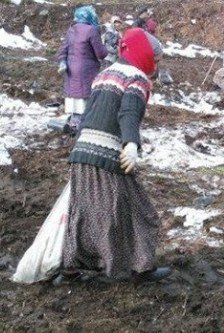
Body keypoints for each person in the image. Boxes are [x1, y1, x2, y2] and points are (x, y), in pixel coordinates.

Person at [58, 28, 169, 282]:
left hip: (82, 151)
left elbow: (88, 113)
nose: (156, 64)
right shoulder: (136, 78)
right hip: (108, 155)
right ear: (145, 54)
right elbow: (128, 112)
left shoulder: (104, 74)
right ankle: (140, 267)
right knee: (140, 211)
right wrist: (131, 144)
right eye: (156, 58)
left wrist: (79, 146)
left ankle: (70, 268)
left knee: (84, 211)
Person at [58, 5, 107, 134]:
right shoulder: (92, 30)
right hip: (86, 69)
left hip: (71, 68)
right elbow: (101, 54)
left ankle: (74, 123)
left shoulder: (71, 30)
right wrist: (105, 46)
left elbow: (63, 49)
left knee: (75, 97)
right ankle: (84, 126)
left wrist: (63, 61)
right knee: (85, 97)